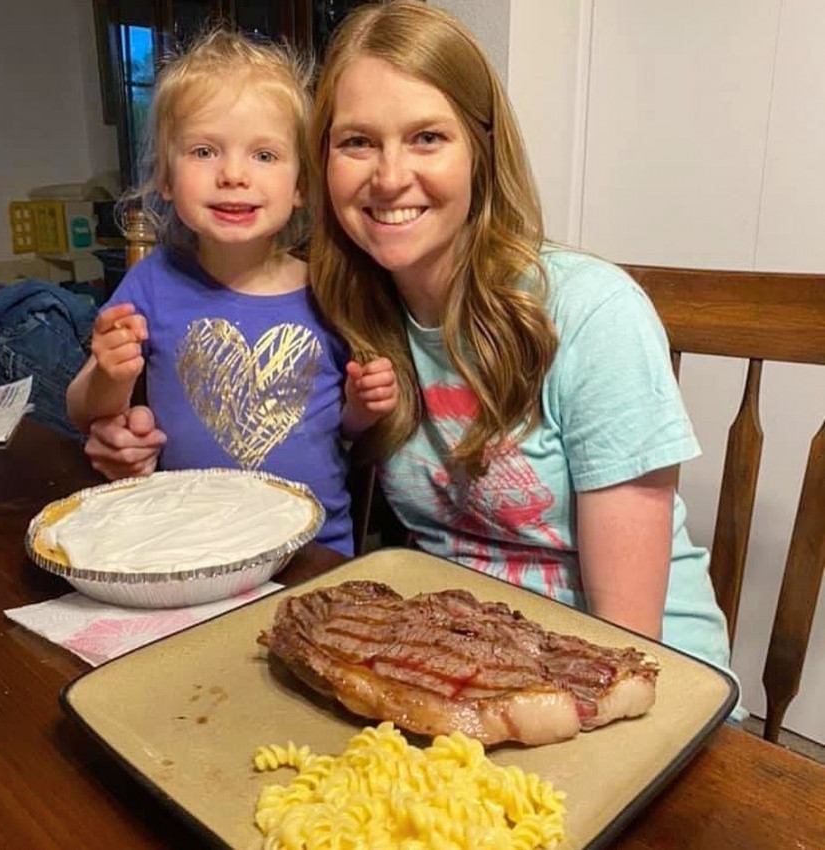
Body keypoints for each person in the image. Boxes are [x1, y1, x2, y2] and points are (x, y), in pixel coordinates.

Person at [84, 3, 738, 706]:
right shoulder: (347, 313)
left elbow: (625, 652)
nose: (391, 177)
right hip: (450, 675)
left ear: (482, 151)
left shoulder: (593, 314)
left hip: (635, 690)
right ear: (323, 164)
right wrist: (127, 435)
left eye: (427, 138)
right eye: (359, 142)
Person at [67, 29, 397, 556]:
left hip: (314, 550)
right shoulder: (152, 280)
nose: (234, 175)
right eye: (204, 151)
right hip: (189, 545)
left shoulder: (330, 290)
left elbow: (342, 429)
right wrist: (111, 374)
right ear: (167, 178)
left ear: (300, 187)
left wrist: (362, 405)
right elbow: (82, 408)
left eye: (265, 155)